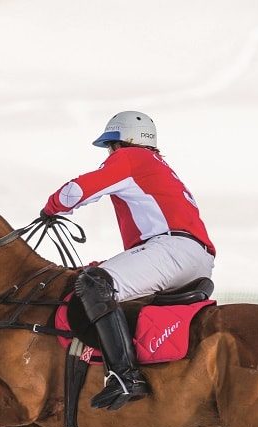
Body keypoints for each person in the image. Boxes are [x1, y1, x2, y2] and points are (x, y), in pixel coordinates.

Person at [42, 111, 216, 411]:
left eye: (111, 146)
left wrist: (52, 208)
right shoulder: (159, 166)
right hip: (193, 256)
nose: (110, 153)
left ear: (122, 142)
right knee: (107, 287)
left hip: (171, 250)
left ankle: (124, 377)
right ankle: (111, 424)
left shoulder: (131, 158)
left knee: (94, 283)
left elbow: (79, 191)